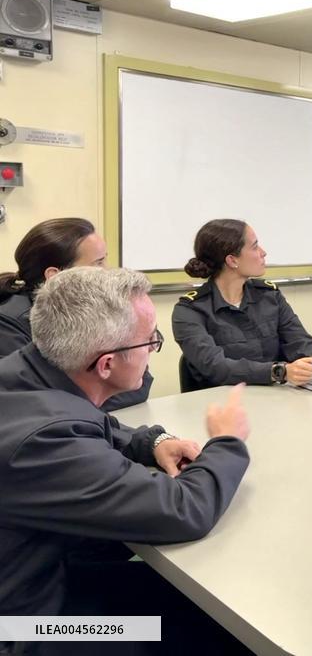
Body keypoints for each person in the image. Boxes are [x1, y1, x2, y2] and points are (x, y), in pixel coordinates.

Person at [0, 267, 250, 652]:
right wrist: (228, 441)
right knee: (212, 630)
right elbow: (183, 510)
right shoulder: (44, 443)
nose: (153, 349)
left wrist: (151, 441)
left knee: (177, 598)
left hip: (43, 574)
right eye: (149, 340)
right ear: (106, 364)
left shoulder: (26, 371)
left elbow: (89, 424)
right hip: (30, 626)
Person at [172, 219, 312, 390]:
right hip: (222, 407)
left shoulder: (269, 296)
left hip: (275, 400)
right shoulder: (189, 310)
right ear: (232, 260)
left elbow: (298, 341)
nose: (263, 252)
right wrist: (279, 372)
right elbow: (215, 367)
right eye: (255, 246)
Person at [0, 217, 152, 411]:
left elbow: (139, 384)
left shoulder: (97, 313)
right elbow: (38, 402)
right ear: (55, 276)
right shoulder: (7, 325)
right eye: (98, 263)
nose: (107, 271)